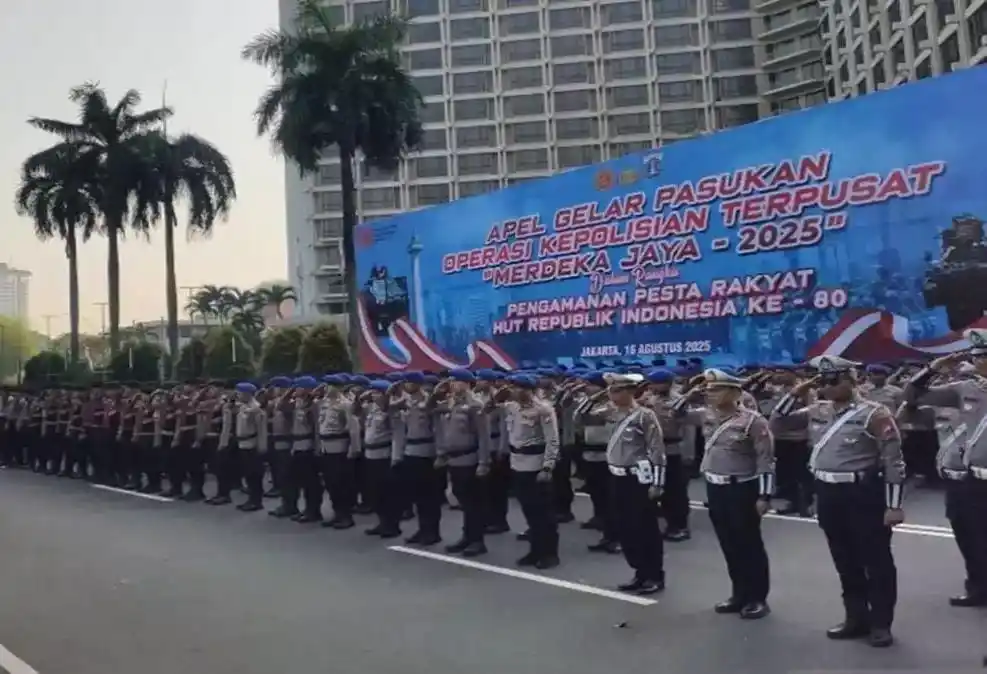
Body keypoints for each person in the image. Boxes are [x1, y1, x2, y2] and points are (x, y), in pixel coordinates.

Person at [774, 355, 904, 647]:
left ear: (851, 379)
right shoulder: (818, 410)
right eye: (823, 381)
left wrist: (894, 505)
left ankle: (881, 623)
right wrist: (797, 391)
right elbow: (779, 423)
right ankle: (855, 617)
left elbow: (893, 461)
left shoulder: (875, 413)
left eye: (833, 381)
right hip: (828, 493)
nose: (827, 388)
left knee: (876, 561)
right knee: (844, 559)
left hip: (862, 494)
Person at [676, 368, 775, 620]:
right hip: (715, 486)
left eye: (716, 389)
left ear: (733, 391)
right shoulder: (705, 414)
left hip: (742, 487)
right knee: (728, 543)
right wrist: (692, 392)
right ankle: (738, 593)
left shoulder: (753, 421)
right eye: (708, 389)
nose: (710, 393)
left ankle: (757, 598)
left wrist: (764, 496)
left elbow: (766, 460)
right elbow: (674, 414)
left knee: (749, 544)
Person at [903, 328, 987, 609]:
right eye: (978, 357)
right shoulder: (967, 389)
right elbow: (915, 396)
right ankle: (978, 587)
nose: (981, 362)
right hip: (971, 479)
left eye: (985, 356)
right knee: (967, 534)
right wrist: (932, 368)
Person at [580, 371, 666, 594]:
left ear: (630, 392)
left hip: (638, 478)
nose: (612, 394)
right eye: (610, 389)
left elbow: (657, 451)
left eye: (617, 390)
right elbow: (579, 417)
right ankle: (639, 572)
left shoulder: (644, 416)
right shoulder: (609, 412)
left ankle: (654, 575)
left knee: (645, 529)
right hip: (616, 476)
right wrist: (594, 397)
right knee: (626, 528)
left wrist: (658, 483)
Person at [498, 373, 561, 569]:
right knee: (529, 511)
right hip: (518, 463)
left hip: (536, 464)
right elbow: (487, 410)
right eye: (514, 388)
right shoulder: (511, 407)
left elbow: (552, 440)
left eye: (520, 388)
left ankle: (549, 554)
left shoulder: (543, 409)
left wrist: (548, 466)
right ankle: (535, 551)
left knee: (543, 513)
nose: (516, 391)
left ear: (531, 390)